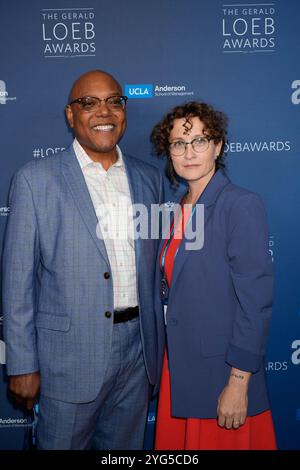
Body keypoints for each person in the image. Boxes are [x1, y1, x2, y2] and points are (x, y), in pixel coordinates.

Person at [2, 70, 164, 450]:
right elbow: (16, 283)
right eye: (88, 103)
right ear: (70, 115)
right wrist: (22, 364)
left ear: (124, 111)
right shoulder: (35, 180)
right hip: (68, 360)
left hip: (139, 354)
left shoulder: (149, 179)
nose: (103, 111)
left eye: (113, 101)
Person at [150, 101, 277, 450]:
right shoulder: (176, 211)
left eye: (200, 141)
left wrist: (238, 383)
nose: (189, 152)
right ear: (169, 151)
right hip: (179, 369)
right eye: (179, 143)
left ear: (218, 146)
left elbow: (256, 304)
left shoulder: (240, 204)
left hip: (220, 375)